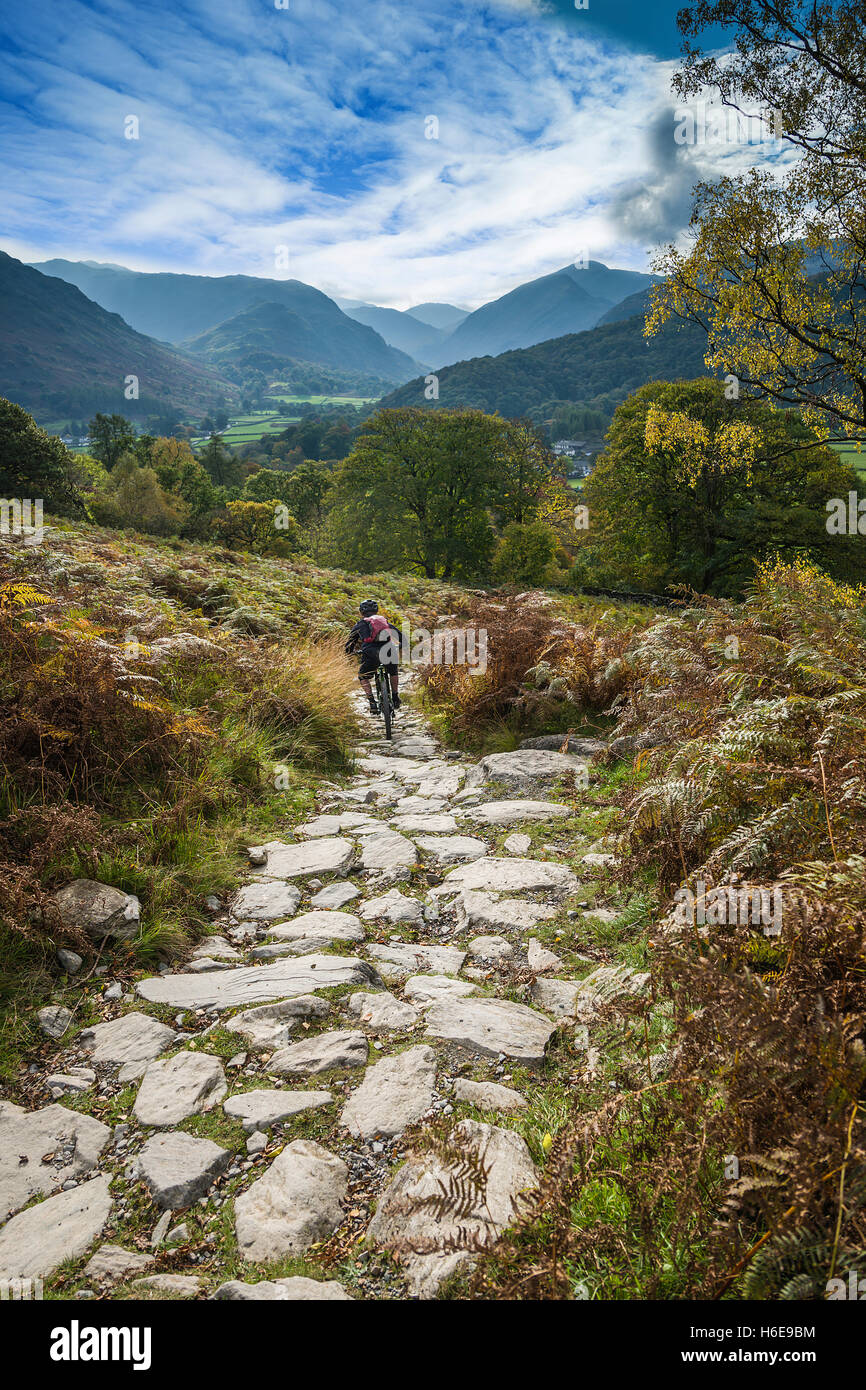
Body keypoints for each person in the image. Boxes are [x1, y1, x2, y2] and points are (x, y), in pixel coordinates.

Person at [345, 599, 403, 716]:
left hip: (370, 653)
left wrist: (350, 653)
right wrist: (400, 646)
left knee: (363, 676)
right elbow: (400, 636)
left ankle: (372, 702)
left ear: (361, 612)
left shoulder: (360, 624)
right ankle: (395, 696)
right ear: (376, 610)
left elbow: (350, 642)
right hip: (388, 651)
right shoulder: (384, 621)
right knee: (393, 672)